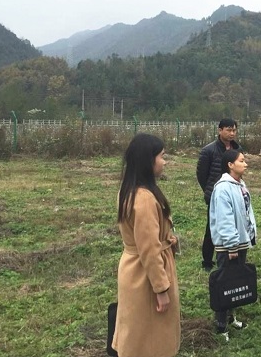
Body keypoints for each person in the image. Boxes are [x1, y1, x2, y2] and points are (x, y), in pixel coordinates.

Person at [112, 133, 180, 357]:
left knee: (137, 333)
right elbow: (149, 249)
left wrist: (168, 239)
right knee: (149, 341)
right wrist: (161, 289)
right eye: (162, 156)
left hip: (134, 271)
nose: (164, 161)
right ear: (148, 161)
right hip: (145, 277)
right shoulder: (144, 199)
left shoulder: (128, 190)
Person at [209, 149, 257, 340]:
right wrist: (231, 245)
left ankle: (230, 318)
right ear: (230, 165)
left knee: (235, 282)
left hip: (240, 242)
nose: (245, 164)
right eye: (241, 161)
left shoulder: (239, 184)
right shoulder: (223, 188)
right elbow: (224, 219)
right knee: (225, 283)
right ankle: (221, 326)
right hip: (229, 246)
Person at [197, 119, 241, 272]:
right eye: (228, 130)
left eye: (234, 130)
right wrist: (210, 191)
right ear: (220, 130)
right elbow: (201, 175)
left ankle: (231, 254)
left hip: (233, 193)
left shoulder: (237, 149)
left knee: (233, 224)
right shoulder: (209, 150)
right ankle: (207, 261)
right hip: (214, 194)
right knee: (212, 227)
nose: (232, 133)